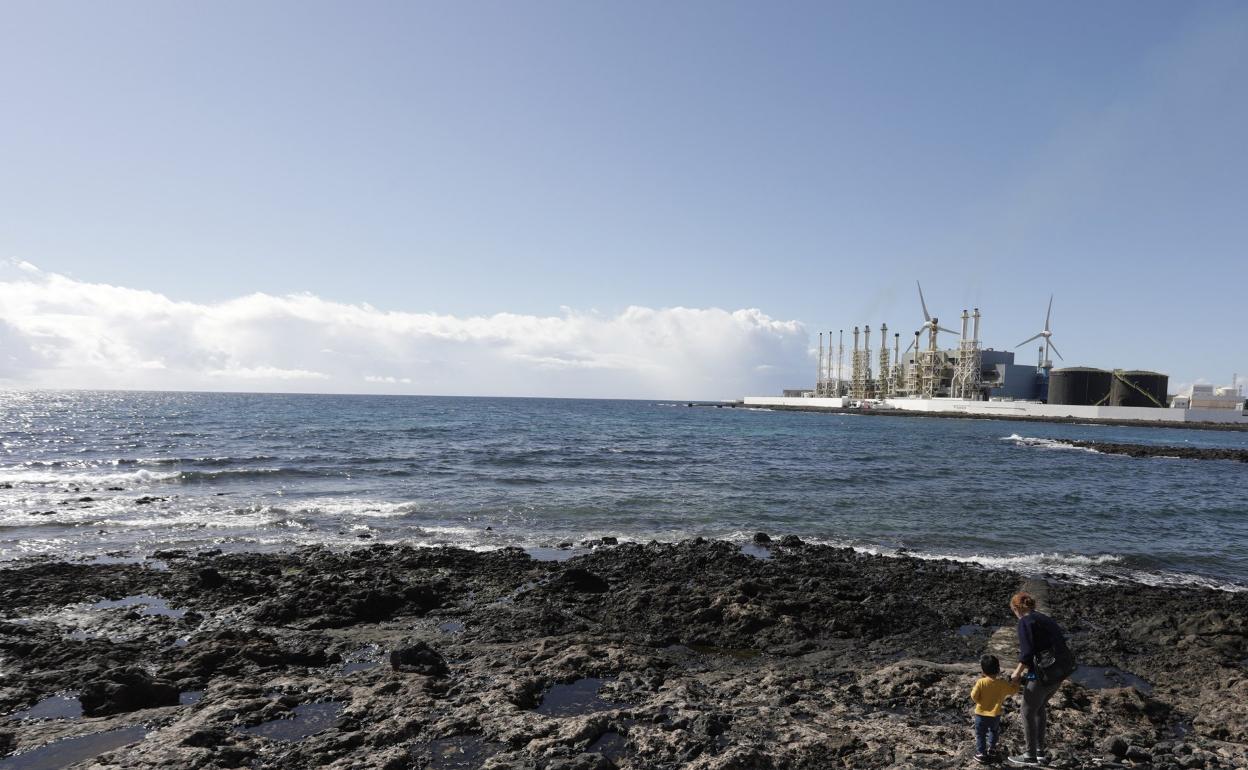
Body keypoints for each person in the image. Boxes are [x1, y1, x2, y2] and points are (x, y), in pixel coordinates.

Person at [1006, 591, 1068, 766]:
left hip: (1041, 674)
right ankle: (1039, 752)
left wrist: (1017, 673)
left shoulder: (1025, 622)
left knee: (1026, 711)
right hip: (1059, 672)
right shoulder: (1044, 618)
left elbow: (1027, 653)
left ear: (1016, 608)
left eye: (1013, 611)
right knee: (1039, 707)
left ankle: (1030, 756)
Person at [971, 653, 1020, 763]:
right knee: (994, 731)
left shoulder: (981, 682)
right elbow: (1013, 691)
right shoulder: (1002, 684)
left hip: (981, 714)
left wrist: (979, 702)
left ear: (983, 671)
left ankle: (981, 753)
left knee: (980, 734)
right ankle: (992, 749)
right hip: (995, 715)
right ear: (998, 670)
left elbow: (973, 696)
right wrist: (1016, 683)